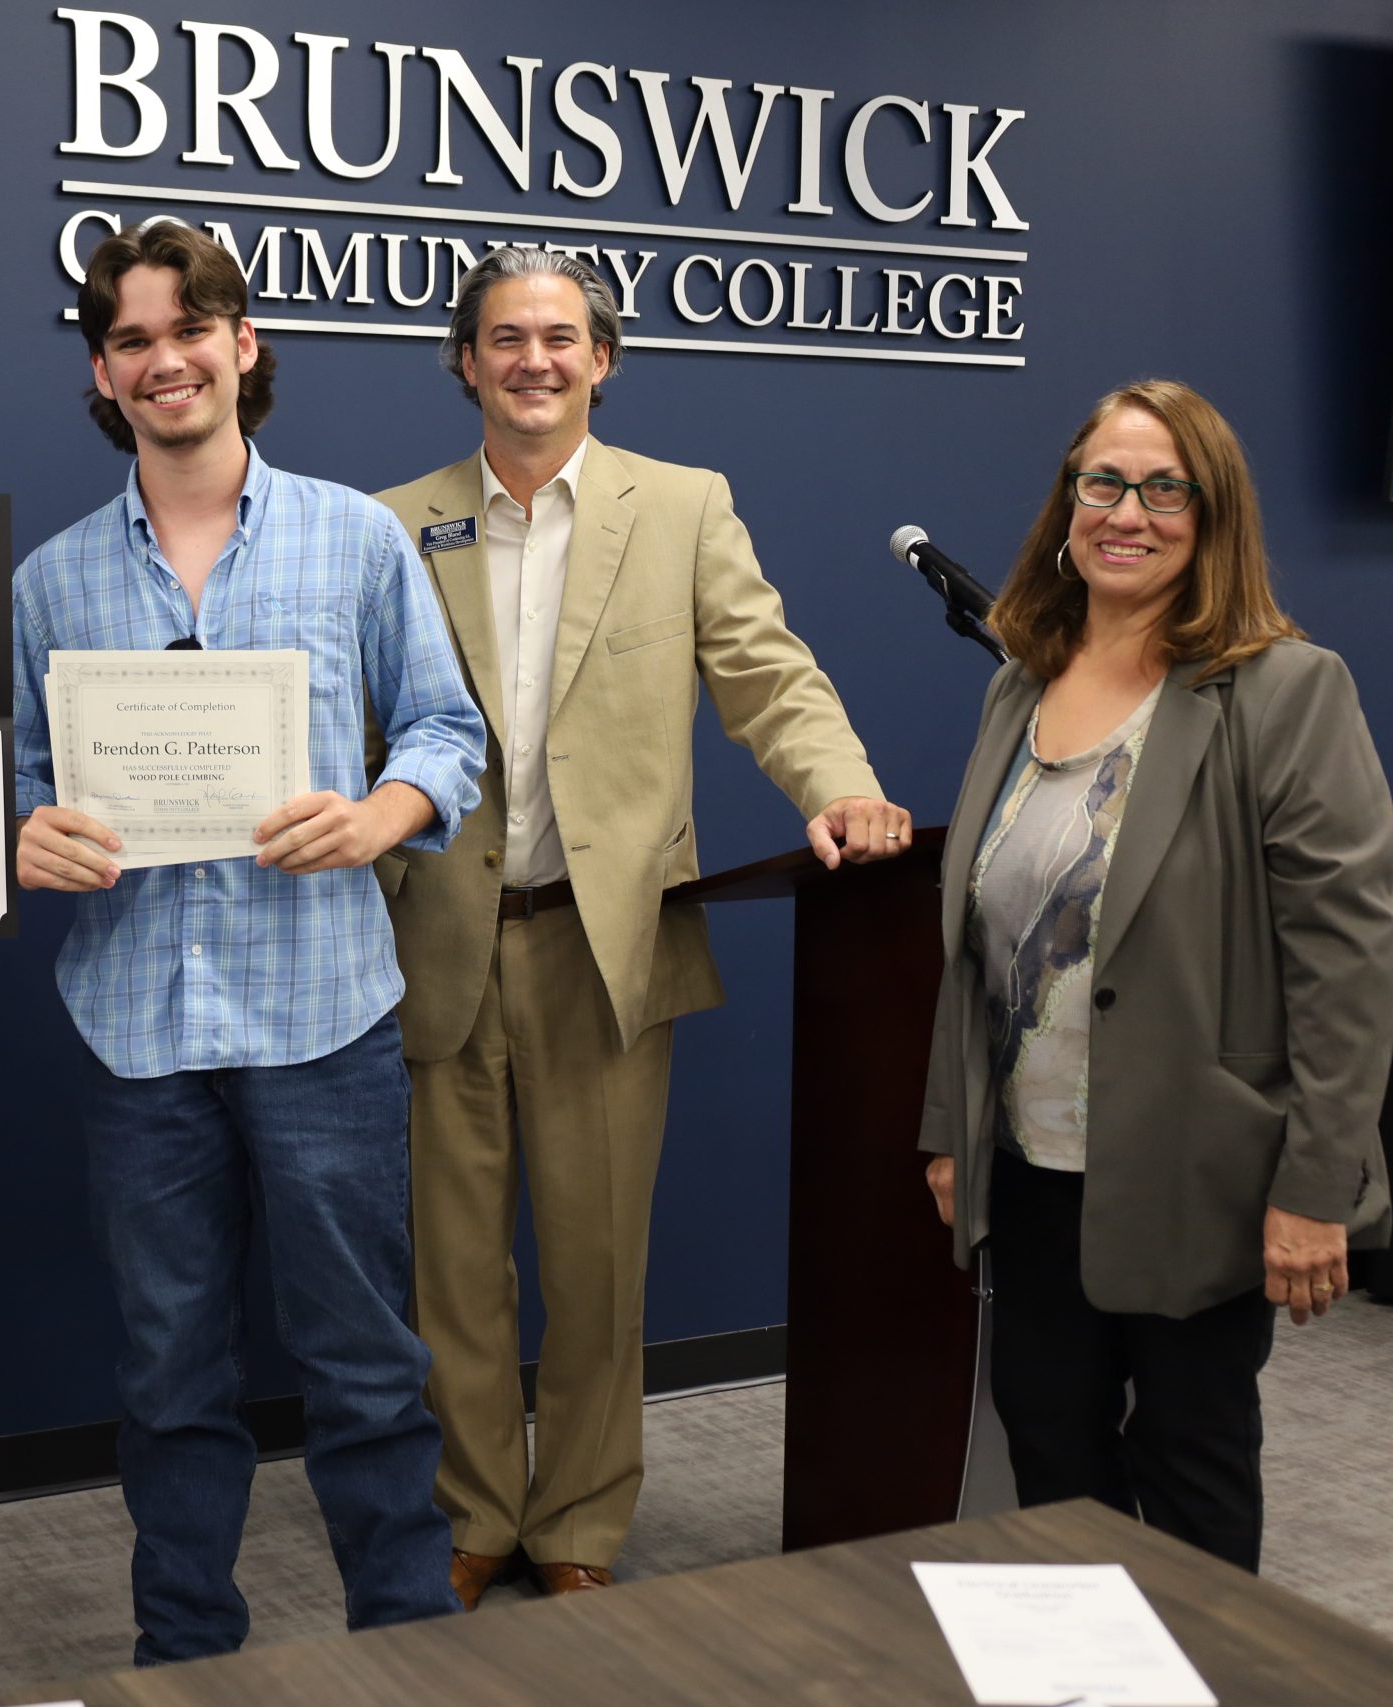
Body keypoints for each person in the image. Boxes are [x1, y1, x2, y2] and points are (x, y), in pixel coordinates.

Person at [374, 245, 913, 1606]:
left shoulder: (681, 508)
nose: (535, 359)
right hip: (438, 936)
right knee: (454, 1268)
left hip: (606, 942)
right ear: (465, 360)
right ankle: (478, 1506)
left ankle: (579, 1520)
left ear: (602, 360)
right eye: (506, 337)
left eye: (562, 336)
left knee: (600, 1257)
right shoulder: (390, 523)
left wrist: (839, 781)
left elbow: (766, 672)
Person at [10, 220, 485, 1664]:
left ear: (244, 344)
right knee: (169, 1376)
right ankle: (186, 1657)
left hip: (321, 1016)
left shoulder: (356, 536)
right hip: (137, 1028)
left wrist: (380, 813)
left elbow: (451, 734)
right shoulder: (53, 580)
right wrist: (28, 832)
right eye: (136, 339)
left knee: (363, 1366)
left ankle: (410, 1648)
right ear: (105, 370)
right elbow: (27, 775)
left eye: (191, 328)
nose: (167, 360)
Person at [917, 378, 1393, 1571]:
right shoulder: (1018, 681)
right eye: (1102, 482)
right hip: (1030, 1165)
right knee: (1052, 1470)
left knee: (1190, 1472)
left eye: (1161, 487)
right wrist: (949, 1127)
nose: (1125, 512)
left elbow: (1350, 955)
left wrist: (1315, 1186)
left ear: (1211, 512)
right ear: (1066, 503)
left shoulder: (1285, 689)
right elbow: (979, 932)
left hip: (1205, 1168)